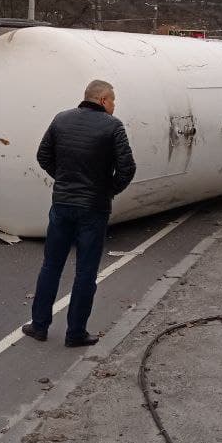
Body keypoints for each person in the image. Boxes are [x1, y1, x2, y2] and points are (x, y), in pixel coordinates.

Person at [22, 79, 137, 347]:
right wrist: (107, 190)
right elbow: (127, 168)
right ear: (102, 100)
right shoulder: (113, 126)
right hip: (93, 209)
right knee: (85, 272)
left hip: (62, 205)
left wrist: (62, 179)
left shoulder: (61, 120)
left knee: (51, 266)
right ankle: (75, 333)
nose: (114, 105)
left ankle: (39, 326)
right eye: (113, 100)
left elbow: (43, 155)